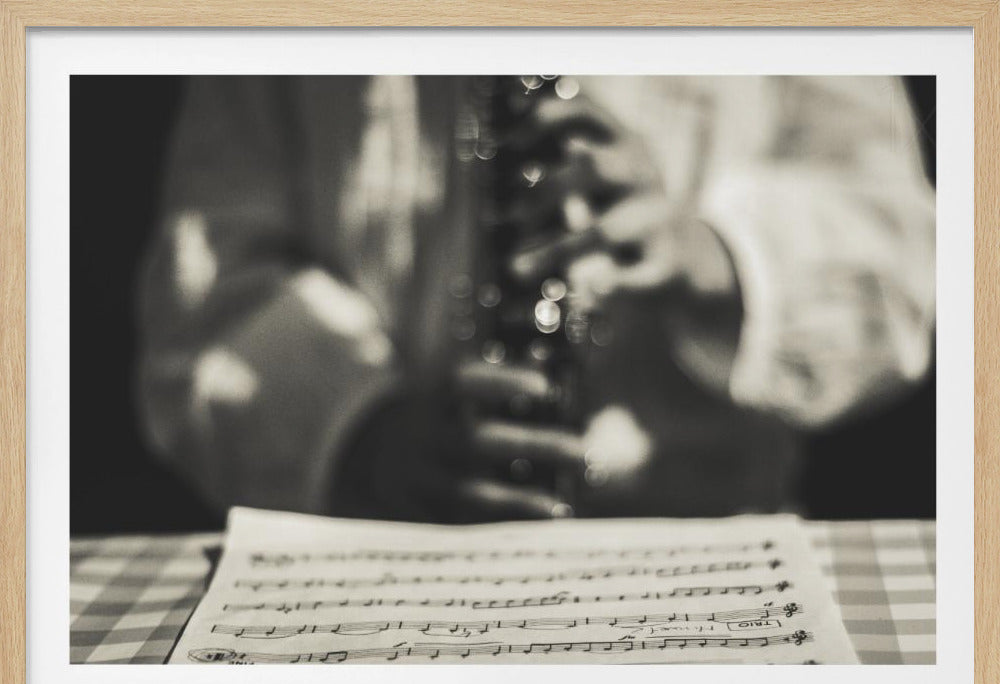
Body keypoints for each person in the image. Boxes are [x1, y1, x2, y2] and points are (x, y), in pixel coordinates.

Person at [136, 76, 935, 522]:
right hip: (383, 539)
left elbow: (904, 261)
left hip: (709, 529)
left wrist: (711, 257)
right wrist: (361, 433)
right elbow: (206, 283)